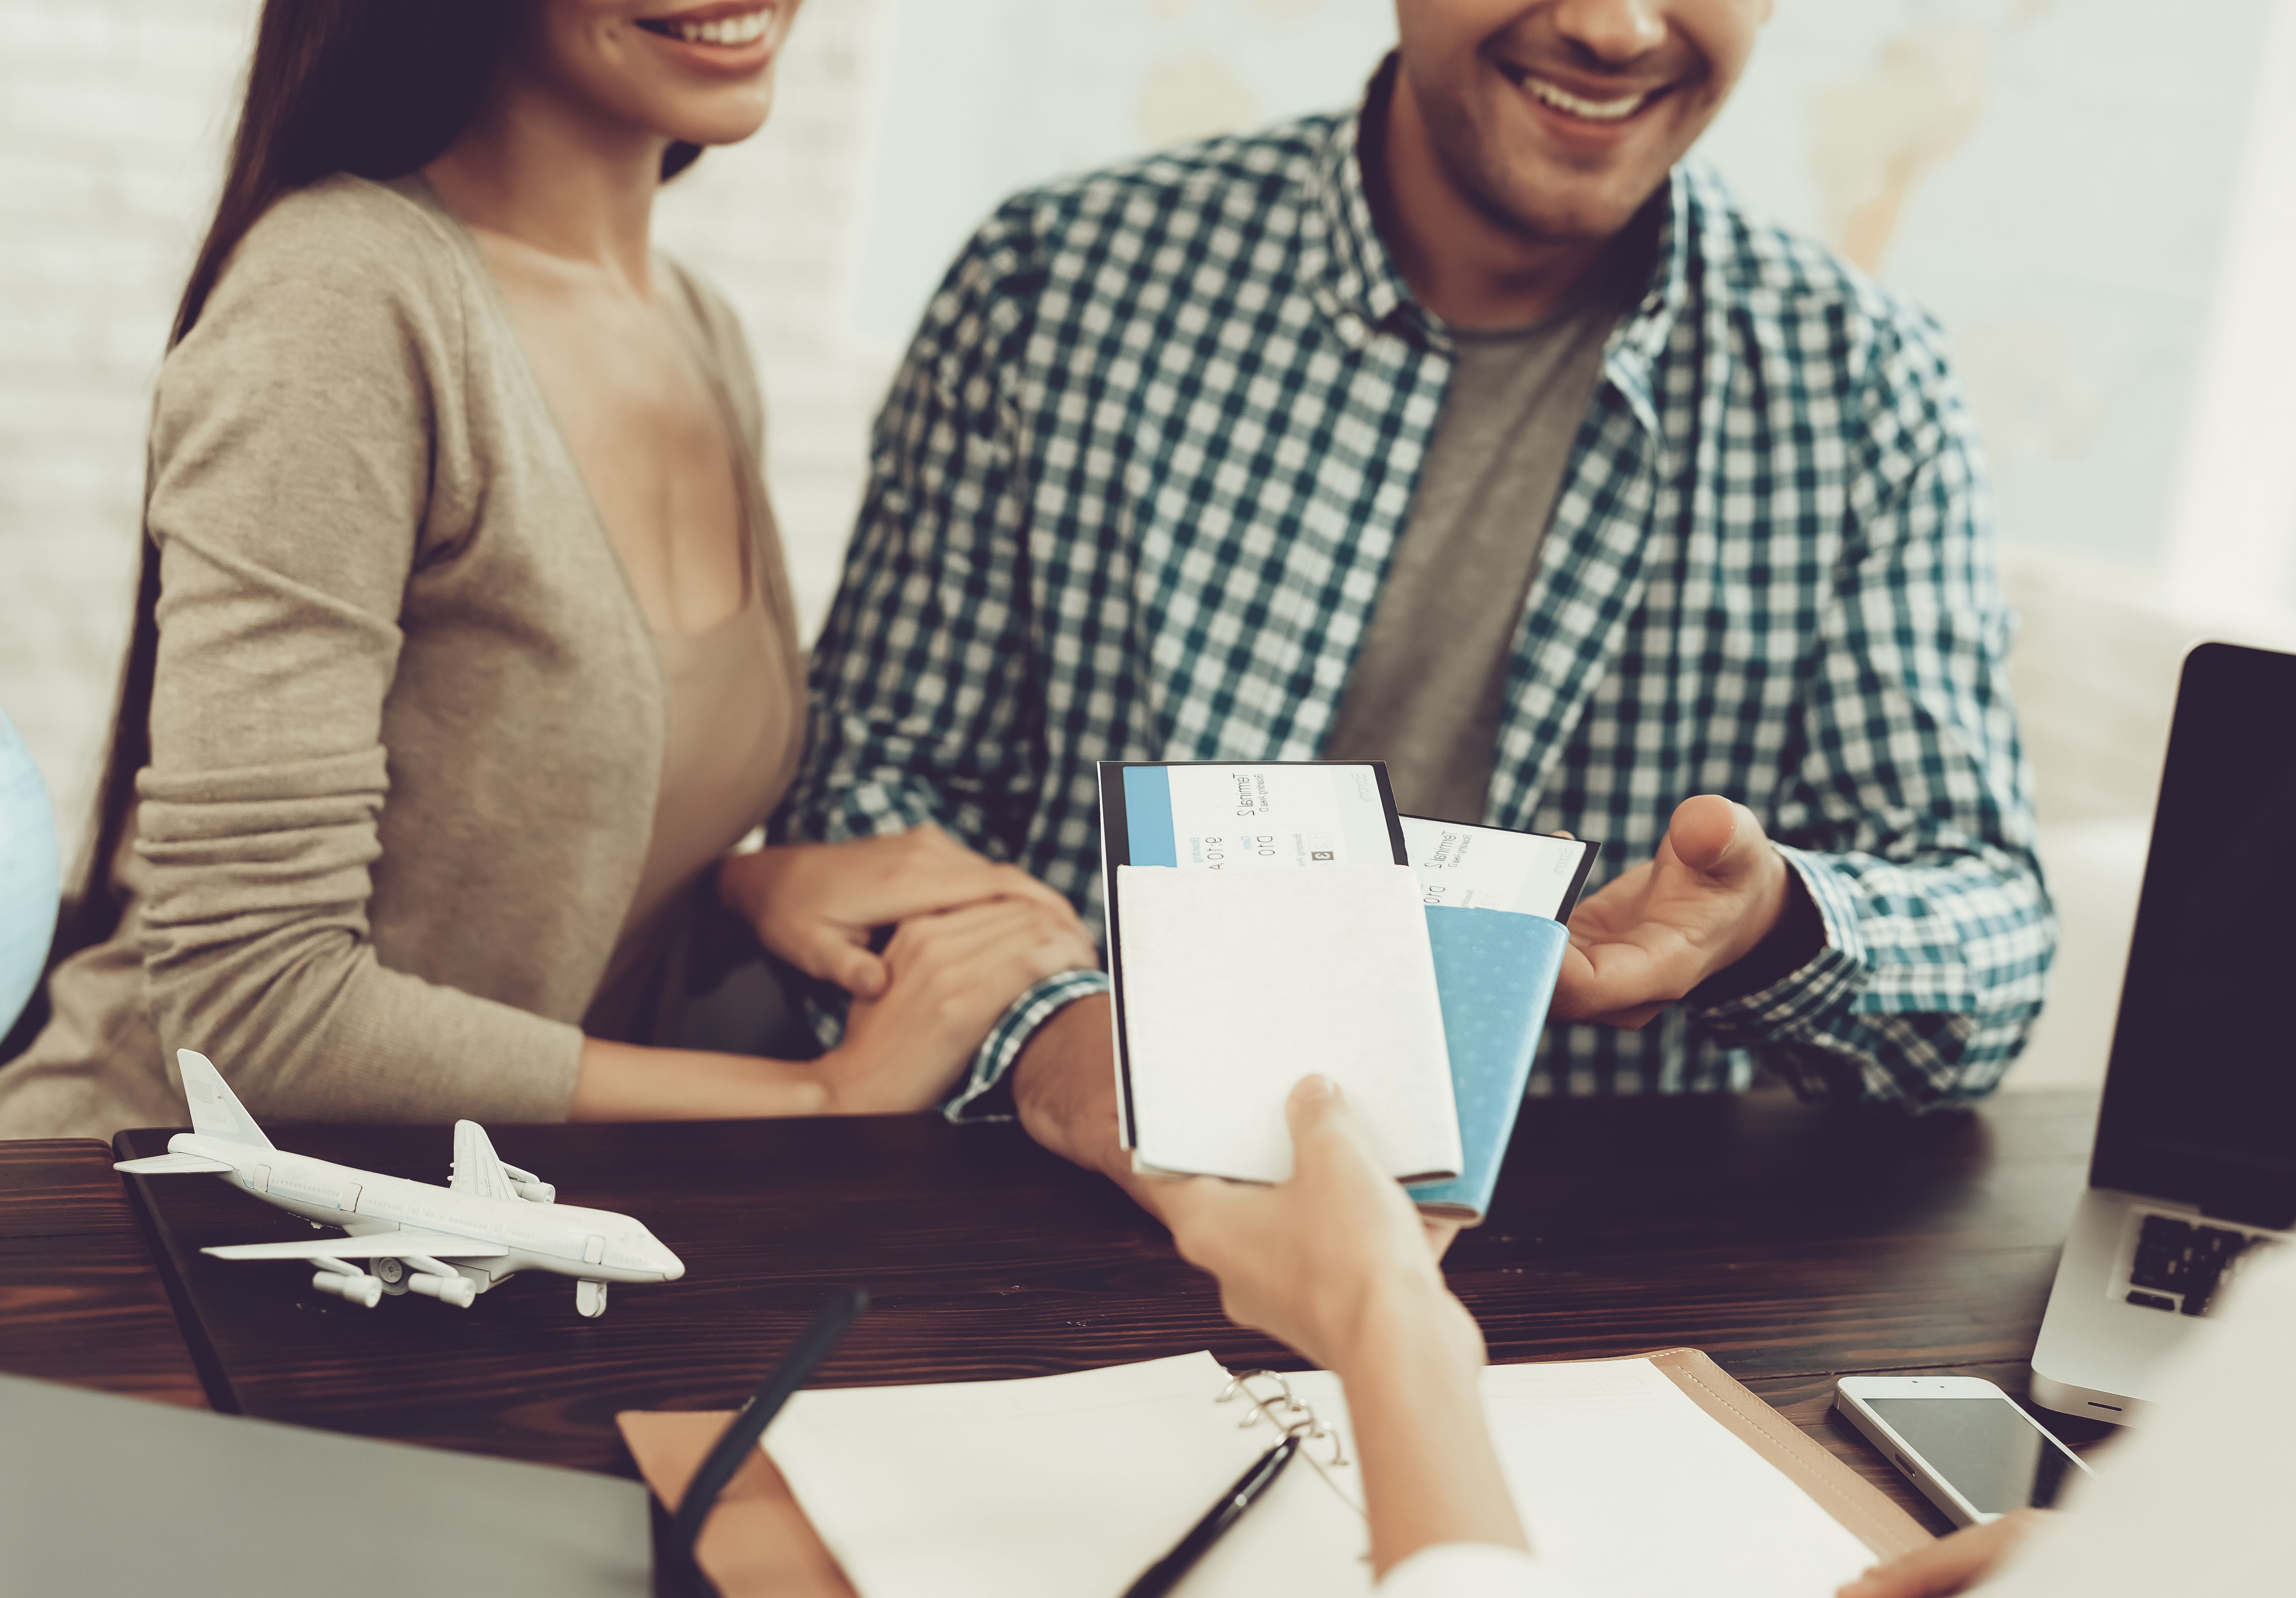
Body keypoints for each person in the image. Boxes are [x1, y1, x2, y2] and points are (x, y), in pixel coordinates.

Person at [1162, 0, 2296, 1598]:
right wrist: (2179, 1580)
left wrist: (1391, 1338)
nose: (1609, 21)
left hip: (1542, 1329)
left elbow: (1977, 921)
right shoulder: (1075, 284)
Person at [763, 0, 2058, 1202]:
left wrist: (1771, 927)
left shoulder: (1863, 381)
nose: (1612, 26)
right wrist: (1054, 1040)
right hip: (1036, 1210)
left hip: (1586, 1270)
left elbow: (1983, 954)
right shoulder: (1057, 281)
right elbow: (869, 793)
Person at [0, 0, 1093, 1141]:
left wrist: (733, 895)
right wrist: (827, 1095)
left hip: (430, 1246)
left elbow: (517, 899)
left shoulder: (697, 329)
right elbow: (253, 1014)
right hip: (142, 1226)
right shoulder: (344, 298)